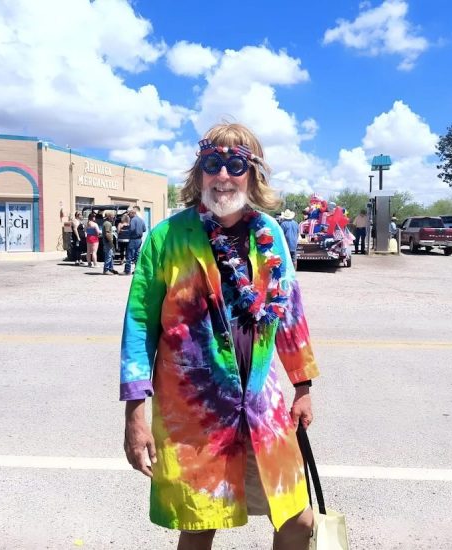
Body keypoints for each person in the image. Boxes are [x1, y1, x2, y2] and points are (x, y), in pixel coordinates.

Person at [121, 122, 318, 550]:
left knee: (298, 519)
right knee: (198, 526)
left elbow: (290, 315)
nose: (223, 175)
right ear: (199, 173)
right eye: (213, 164)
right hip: (194, 412)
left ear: (253, 174)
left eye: (235, 164)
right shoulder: (166, 238)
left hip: (262, 404)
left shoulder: (270, 236)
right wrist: (135, 414)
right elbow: (139, 326)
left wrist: (302, 386)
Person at [123, 205, 146, 275]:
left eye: (129, 214)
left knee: (129, 255)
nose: (128, 216)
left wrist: (126, 231)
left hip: (133, 239)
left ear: (132, 214)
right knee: (137, 255)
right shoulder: (141, 220)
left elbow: (131, 229)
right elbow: (144, 229)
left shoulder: (133, 220)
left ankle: (127, 270)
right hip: (139, 240)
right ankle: (137, 270)